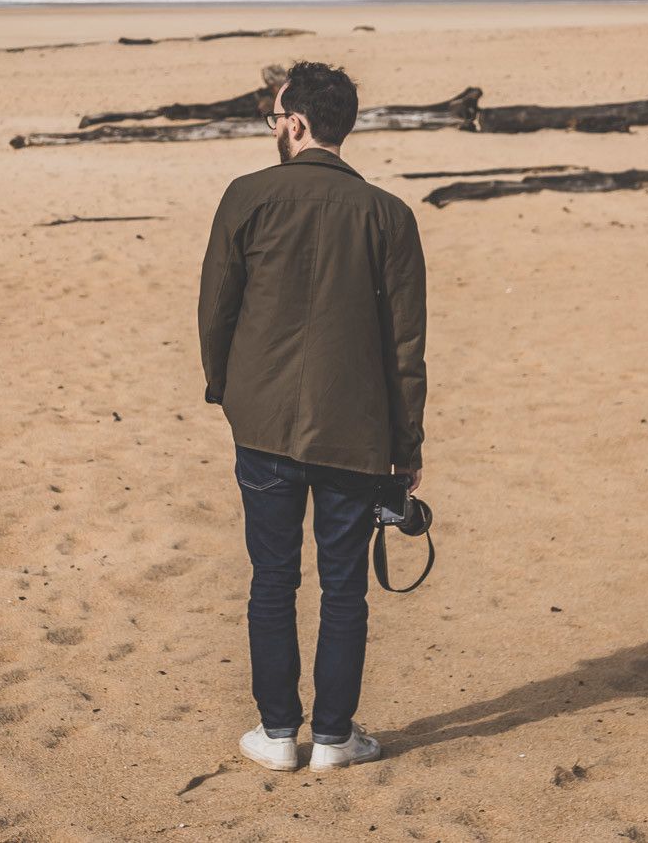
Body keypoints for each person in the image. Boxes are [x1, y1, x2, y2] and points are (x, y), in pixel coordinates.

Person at [197, 60, 428, 772]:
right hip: (355, 430)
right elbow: (407, 347)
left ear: (295, 123)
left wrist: (226, 392)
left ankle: (275, 735)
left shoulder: (246, 196)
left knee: (271, 579)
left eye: (275, 117)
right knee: (344, 587)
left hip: (261, 421)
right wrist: (407, 443)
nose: (274, 127)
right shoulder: (389, 214)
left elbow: (216, 312)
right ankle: (332, 737)